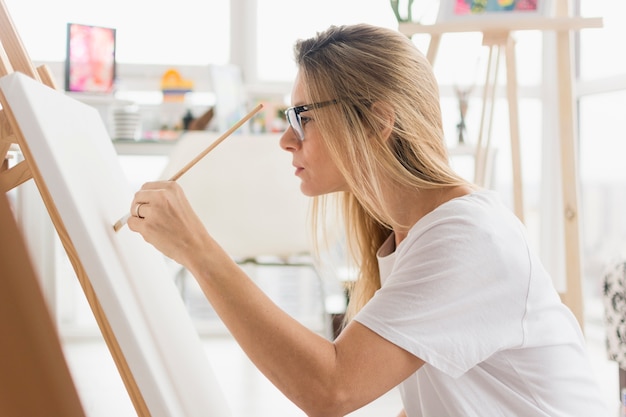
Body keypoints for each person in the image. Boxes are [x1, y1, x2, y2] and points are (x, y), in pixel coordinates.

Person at [128, 24, 608, 417]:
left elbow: (332, 389)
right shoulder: (410, 232)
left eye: (302, 116)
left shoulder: (466, 237)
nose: (286, 141)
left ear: (378, 122)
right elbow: (437, 400)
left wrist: (198, 250)